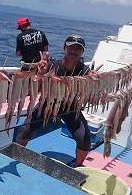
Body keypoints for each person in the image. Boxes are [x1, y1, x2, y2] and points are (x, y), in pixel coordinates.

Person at [16, 34, 96, 167]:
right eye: (71, 48)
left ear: (82, 52)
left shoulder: (85, 71)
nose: (74, 51)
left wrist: (94, 81)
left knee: (85, 138)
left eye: (78, 49)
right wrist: (40, 73)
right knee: (25, 130)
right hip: (48, 103)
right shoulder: (52, 65)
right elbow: (37, 87)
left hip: (70, 107)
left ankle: (78, 166)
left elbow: (88, 93)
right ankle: (16, 156)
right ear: (64, 49)